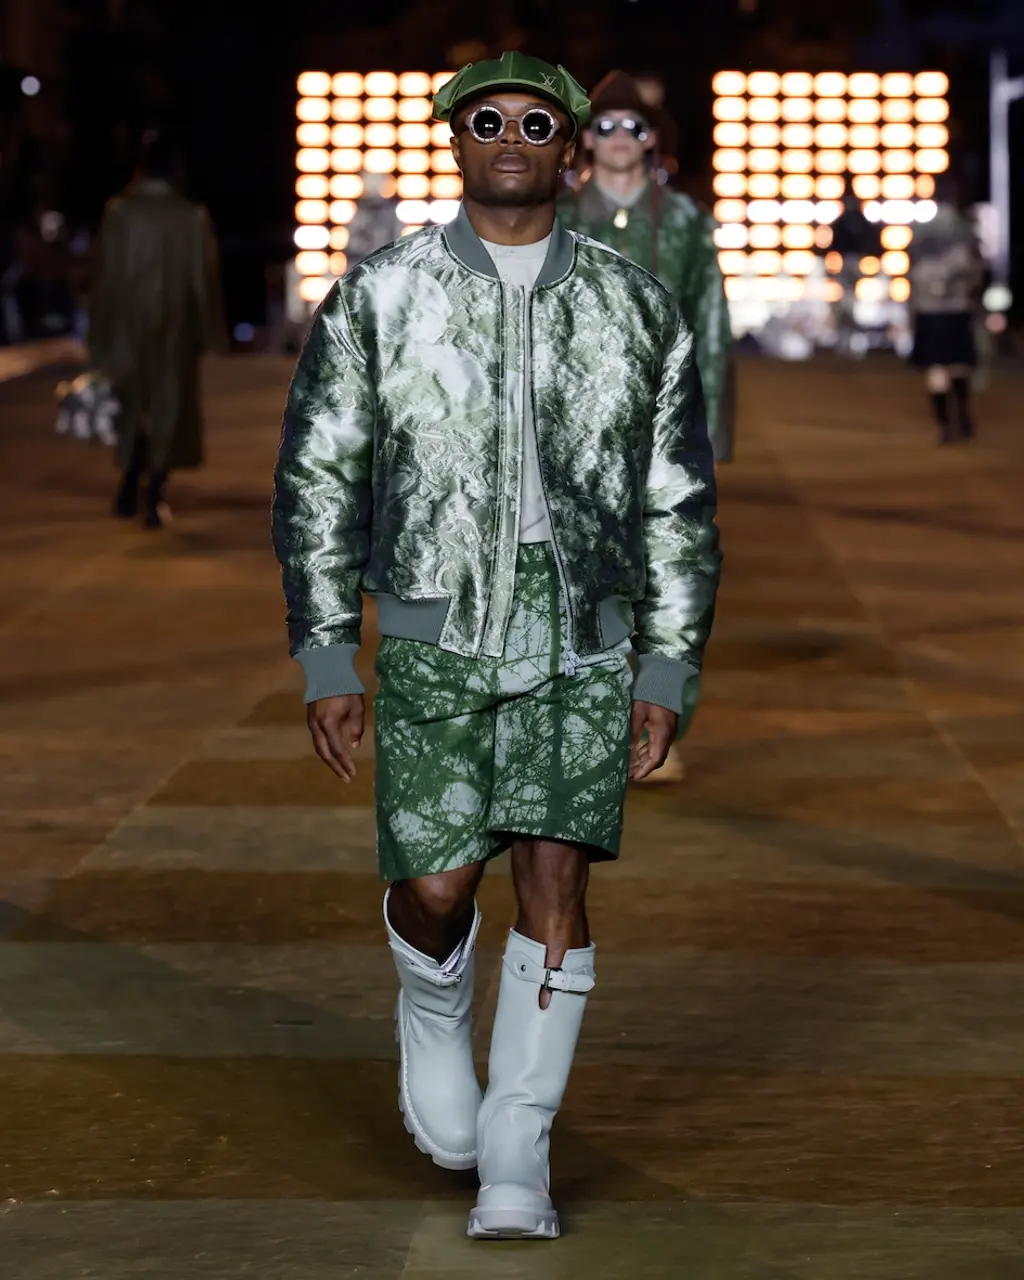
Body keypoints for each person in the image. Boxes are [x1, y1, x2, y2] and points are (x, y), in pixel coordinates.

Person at [272, 52, 721, 1242]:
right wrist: (327, 652)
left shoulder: (635, 304)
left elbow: (676, 501)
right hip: (436, 622)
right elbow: (319, 478)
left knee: (555, 880)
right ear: (455, 142)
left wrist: (667, 664)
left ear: (568, 149)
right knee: (435, 886)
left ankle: (519, 1145)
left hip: (584, 628)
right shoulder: (382, 296)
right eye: (486, 121)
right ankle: (431, 1005)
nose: (509, 138)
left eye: (534, 123)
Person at [561, 70, 732, 783]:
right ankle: (583, 729)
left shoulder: (686, 221)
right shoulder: (554, 214)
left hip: (664, 425)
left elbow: (711, 320)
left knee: (673, 578)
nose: (618, 138)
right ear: (585, 139)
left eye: (633, 126)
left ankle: (660, 729)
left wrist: (711, 427)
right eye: (604, 126)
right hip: (567, 426)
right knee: (575, 580)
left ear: (652, 137)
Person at [89, 132, 224, 527]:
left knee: (130, 398)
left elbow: (105, 276)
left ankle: (131, 474)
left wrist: (98, 330)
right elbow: (203, 277)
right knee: (169, 400)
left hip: (126, 320)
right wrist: (211, 331)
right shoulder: (190, 215)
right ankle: (157, 484)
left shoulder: (119, 212)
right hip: (175, 321)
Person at [908, 178, 985, 444]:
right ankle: (963, 416)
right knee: (959, 364)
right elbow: (975, 270)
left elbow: (912, 270)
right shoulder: (964, 228)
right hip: (958, 307)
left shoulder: (920, 230)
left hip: (928, 310)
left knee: (936, 368)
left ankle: (944, 425)